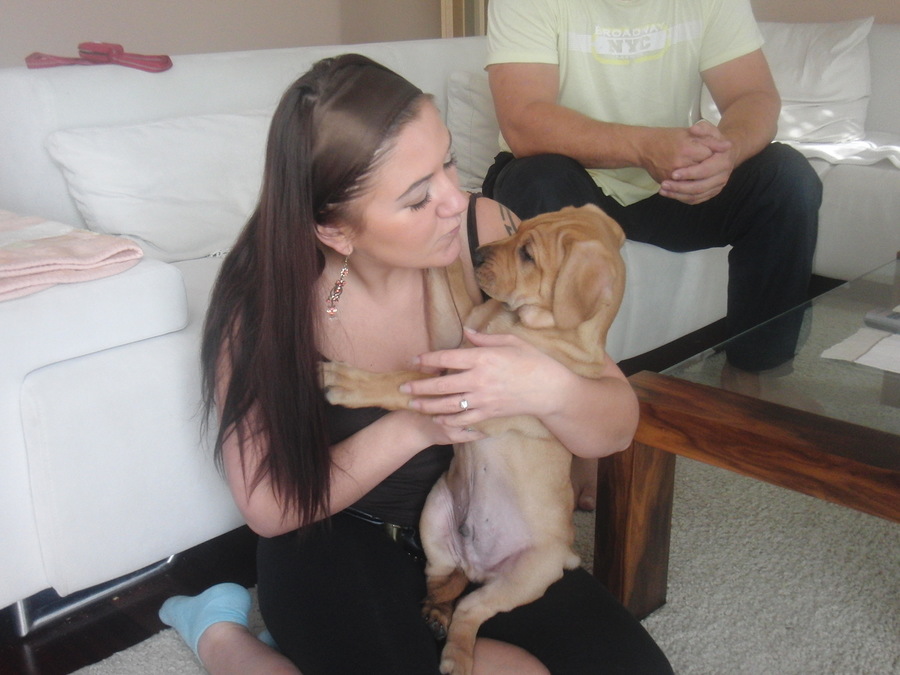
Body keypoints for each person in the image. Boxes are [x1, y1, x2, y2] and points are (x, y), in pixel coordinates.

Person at [158, 54, 672, 674]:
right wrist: (419, 423)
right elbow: (269, 507)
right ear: (336, 231)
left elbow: (615, 426)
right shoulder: (263, 304)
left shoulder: (490, 235)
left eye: (448, 162)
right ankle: (219, 632)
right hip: (334, 537)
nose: (455, 200)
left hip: (483, 525)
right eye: (418, 197)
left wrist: (550, 389)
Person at [482, 0, 822, 508]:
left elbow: (753, 95)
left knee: (786, 179)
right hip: (571, 184)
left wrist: (726, 151)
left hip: (669, 187)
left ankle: (755, 375)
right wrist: (644, 145)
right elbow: (524, 120)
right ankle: (570, 414)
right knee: (537, 178)